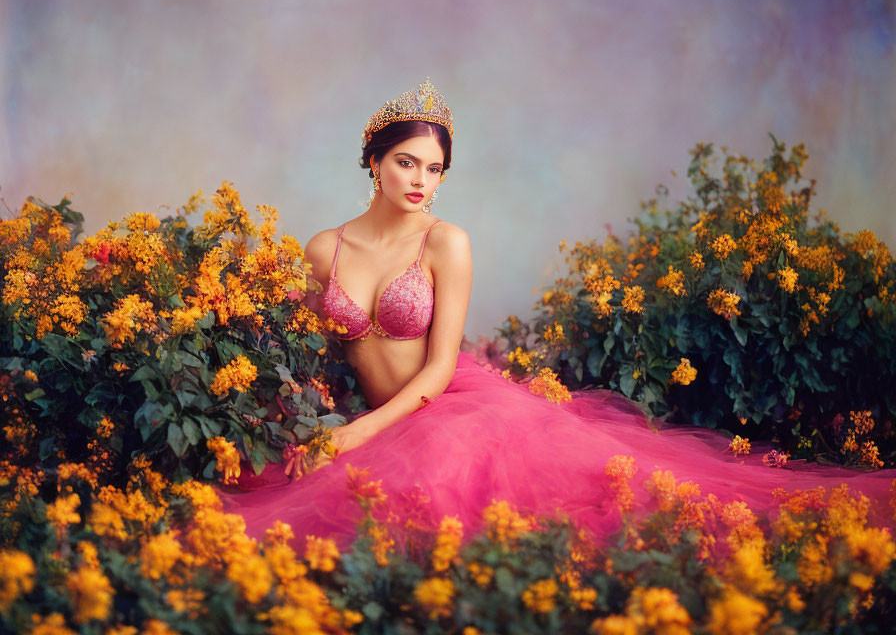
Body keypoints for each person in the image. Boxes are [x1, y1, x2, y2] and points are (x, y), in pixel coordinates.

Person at [216, 78, 896, 552]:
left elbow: (437, 371)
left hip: (448, 411)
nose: (422, 180)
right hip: (370, 423)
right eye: (405, 162)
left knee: (612, 512)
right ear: (373, 163)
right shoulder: (324, 249)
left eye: (436, 168)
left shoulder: (444, 242)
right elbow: (308, 354)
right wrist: (298, 420)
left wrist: (357, 435)